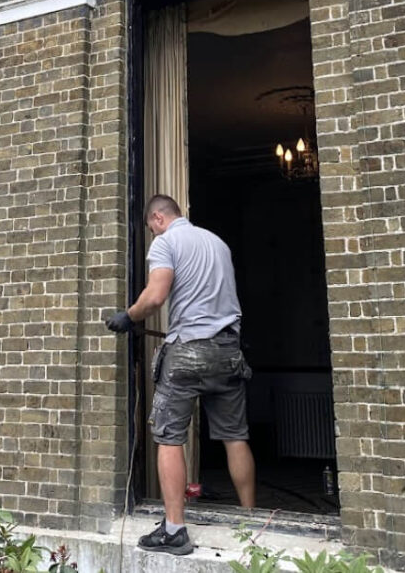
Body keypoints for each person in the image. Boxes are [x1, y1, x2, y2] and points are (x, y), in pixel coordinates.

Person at [106, 194, 255, 556]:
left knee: (169, 437)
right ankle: (250, 522)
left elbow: (156, 296)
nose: (152, 233)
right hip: (229, 350)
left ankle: (174, 530)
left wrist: (129, 315)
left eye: (150, 227)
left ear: (158, 218)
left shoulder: (166, 242)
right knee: (235, 436)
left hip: (188, 350)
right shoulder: (217, 242)